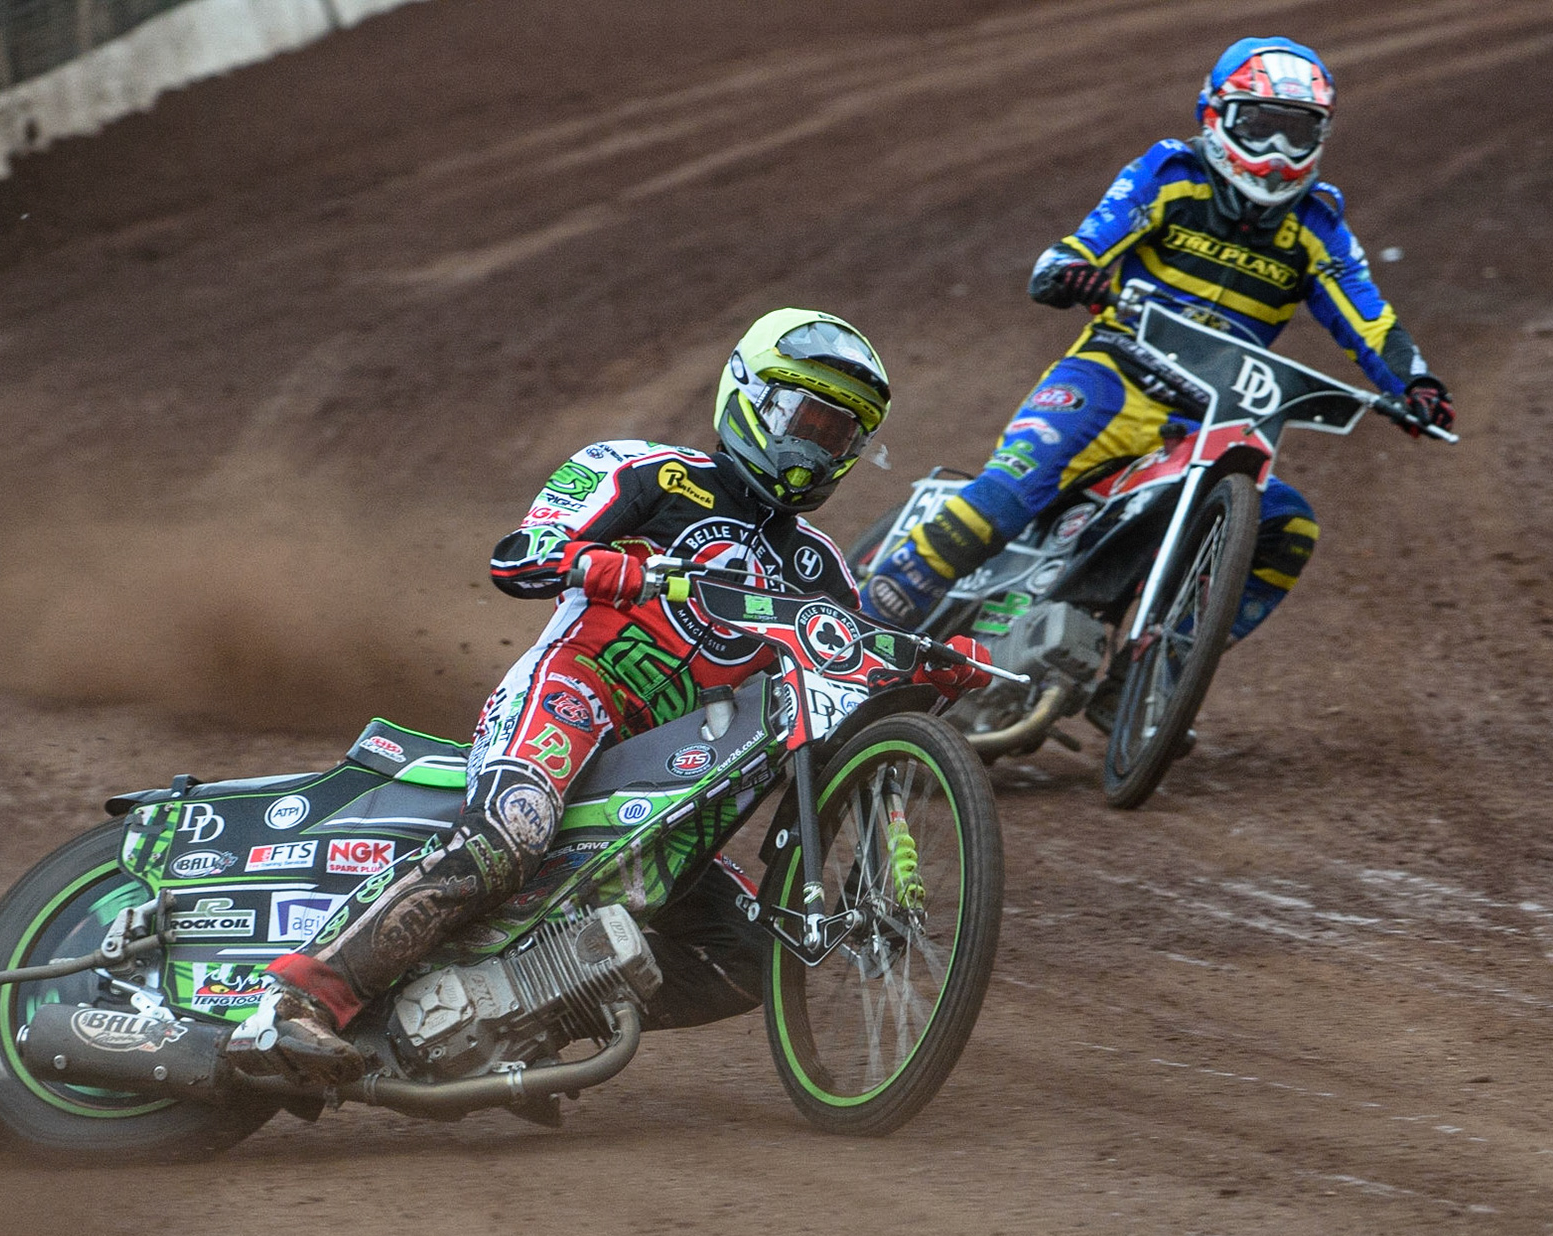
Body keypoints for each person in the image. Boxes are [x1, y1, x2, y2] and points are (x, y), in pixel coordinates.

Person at [227, 309, 989, 1085]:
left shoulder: (820, 568)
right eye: (807, 422)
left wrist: (927, 672)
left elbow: (847, 694)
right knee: (511, 833)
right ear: (752, 397)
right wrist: (597, 564)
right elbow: (518, 555)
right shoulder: (647, 471)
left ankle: (516, 1023)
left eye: (839, 435)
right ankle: (295, 1003)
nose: (816, 449)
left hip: (673, 777)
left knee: (748, 954)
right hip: (576, 690)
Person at [860, 36, 1456, 726]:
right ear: (1215, 117)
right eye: (1260, 125)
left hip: (1214, 420)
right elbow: (1083, 245)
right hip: (1113, 377)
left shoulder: (1316, 224)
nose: (1277, 150)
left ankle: (1149, 677)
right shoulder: (1171, 174)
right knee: (1014, 486)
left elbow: (1369, 319)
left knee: (1287, 528)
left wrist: (1416, 383)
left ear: (1320, 137)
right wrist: (1071, 271)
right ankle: (879, 607)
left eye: (1297, 132)